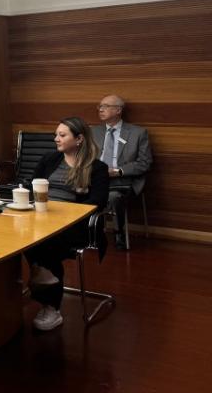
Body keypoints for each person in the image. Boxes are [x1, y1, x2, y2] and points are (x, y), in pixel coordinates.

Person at [26, 117, 109, 331]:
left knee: (44, 242)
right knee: (14, 233)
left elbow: (98, 201)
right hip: (40, 218)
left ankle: (51, 307)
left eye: (62, 135)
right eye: (57, 134)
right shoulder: (49, 159)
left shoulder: (97, 167)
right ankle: (39, 273)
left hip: (75, 226)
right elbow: (31, 186)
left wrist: (61, 213)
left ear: (79, 139)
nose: (56, 139)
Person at [92, 95, 153, 250]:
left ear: (118, 110)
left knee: (113, 197)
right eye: (100, 106)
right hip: (97, 179)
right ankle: (92, 232)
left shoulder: (138, 133)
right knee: (77, 191)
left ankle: (118, 232)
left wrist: (118, 171)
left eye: (105, 106)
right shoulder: (93, 132)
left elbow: (144, 163)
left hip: (124, 180)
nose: (100, 109)